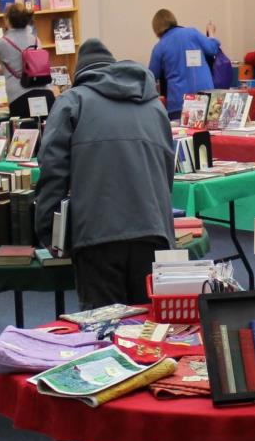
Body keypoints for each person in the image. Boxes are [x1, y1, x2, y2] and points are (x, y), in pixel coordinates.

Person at [34, 39, 175, 311]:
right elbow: (166, 174)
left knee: (104, 332)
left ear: (80, 74)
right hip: (154, 232)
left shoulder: (72, 102)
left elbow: (52, 172)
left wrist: (49, 233)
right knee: (151, 333)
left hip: (97, 237)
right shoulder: (154, 105)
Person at [147, 9, 222, 118]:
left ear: (156, 28)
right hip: (207, 98)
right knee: (210, 134)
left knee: (183, 134)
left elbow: (151, 76)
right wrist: (211, 32)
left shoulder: (160, 47)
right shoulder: (192, 33)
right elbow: (213, 48)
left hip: (180, 104)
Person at [0, 2, 48, 107]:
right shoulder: (36, 40)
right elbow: (26, 67)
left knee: (20, 124)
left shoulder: (2, 42)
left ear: (7, 20)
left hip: (20, 98)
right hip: (45, 95)